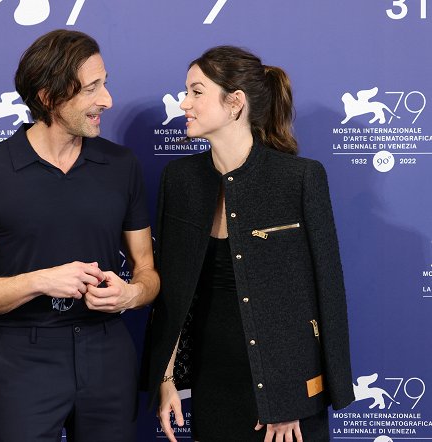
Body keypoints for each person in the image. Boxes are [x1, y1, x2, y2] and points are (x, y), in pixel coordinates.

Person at [0, 29, 159, 441]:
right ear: (48, 97)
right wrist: (42, 280)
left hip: (108, 353)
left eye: (105, 83)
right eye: (92, 88)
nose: (107, 100)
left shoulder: (121, 165)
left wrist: (130, 295)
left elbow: (147, 271)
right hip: (25, 357)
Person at [141, 46, 354, 442]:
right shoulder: (180, 180)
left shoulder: (300, 178)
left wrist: (292, 400)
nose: (184, 103)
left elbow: (325, 294)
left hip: (286, 391)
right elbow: (172, 295)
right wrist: (167, 380)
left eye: (196, 92)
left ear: (235, 103)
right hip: (212, 382)